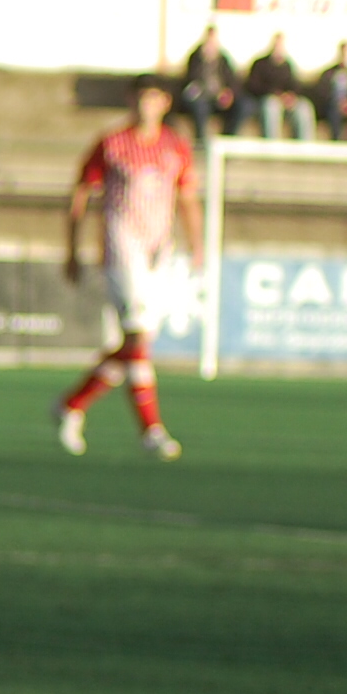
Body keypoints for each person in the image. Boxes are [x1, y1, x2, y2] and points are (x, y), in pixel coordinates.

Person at [56, 73, 198, 460]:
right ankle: (151, 430)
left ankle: (71, 405)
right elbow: (81, 193)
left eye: (153, 98)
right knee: (137, 338)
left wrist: (197, 246)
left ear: (165, 104)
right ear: (129, 100)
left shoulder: (175, 147)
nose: (145, 105)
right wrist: (72, 248)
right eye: (139, 97)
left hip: (159, 251)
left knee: (136, 344)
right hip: (121, 248)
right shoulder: (111, 143)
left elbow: (187, 197)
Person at [243, 35, 314, 141]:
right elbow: (253, 86)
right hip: (264, 101)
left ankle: (305, 147)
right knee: (271, 105)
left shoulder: (287, 65)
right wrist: (275, 94)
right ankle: (272, 145)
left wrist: (291, 96)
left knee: (304, 107)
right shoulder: (260, 64)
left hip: (285, 104)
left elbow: (294, 85)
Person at [178, 26, 240, 145]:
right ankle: (201, 142)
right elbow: (192, 81)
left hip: (219, 98)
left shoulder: (223, 59)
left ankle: (228, 141)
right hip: (202, 96)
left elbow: (233, 81)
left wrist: (228, 93)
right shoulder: (196, 57)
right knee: (199, 105)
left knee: (241, 106)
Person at [312, 41, 347, 141]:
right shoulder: (329, 73)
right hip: (331, 106)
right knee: (336, 111)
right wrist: (340, 104)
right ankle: (336, 141)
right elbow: (322, 94)